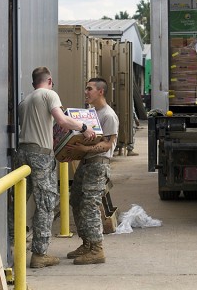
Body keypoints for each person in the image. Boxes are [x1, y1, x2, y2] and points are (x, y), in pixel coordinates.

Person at [14, 66, 96, 268]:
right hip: (40, 156)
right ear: (49, 81)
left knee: (17, 202)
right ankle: (39, 254)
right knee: (46, 203)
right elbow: (61, 120)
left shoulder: (24, 102)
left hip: (22, 153)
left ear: (34, 82)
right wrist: (84, 128)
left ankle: (11, 246)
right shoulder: (50, 95)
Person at [65, 77, 119, 265]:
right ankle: (87, 243)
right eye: (86, 88)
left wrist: (84, 150)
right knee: (76, 200)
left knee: (89, 204)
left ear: (100, 92)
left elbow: (107, 144)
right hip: (86, 163)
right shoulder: (89, 113)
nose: (86, 92)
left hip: (98, 164)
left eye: (89, 89)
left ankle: (97, 249)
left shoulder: (108, 115)